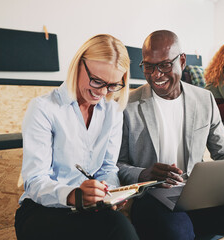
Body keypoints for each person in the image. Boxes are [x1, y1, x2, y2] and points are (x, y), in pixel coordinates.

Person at [117, 30, 224, 240]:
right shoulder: (126, 105)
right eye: (148, 66)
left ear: (182, 61)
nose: (156, 74)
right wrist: (143, 174)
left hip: (199, 194)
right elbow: (117, 165)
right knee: (178, 234)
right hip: (152, 197)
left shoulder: (204, 99)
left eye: (165, 65)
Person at [14, 34, 139, 240]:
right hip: (43, 210)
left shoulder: (113, 112)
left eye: (113, 85)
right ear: (79, 65)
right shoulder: (44, 109)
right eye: (97, 81)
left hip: (90, 208)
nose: (102, 92)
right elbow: (35, 181)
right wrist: (73, 195)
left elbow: (108, 168)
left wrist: (110, 193)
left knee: (121, 227)